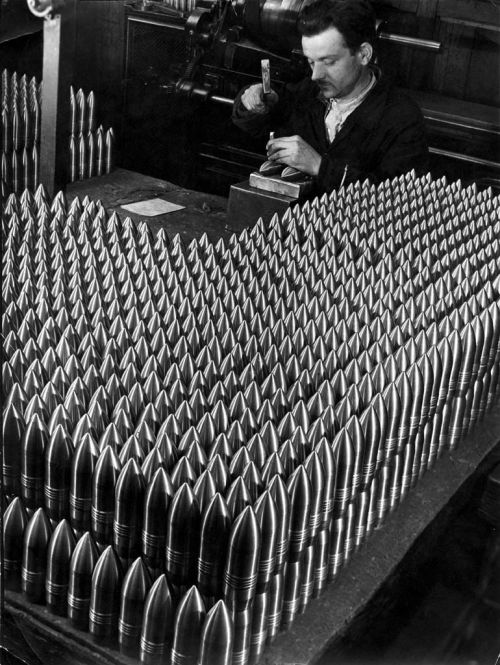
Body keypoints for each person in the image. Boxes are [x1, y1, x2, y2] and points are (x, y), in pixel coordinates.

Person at [232, 0, 429, 195]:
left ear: (363, 54)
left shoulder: (402, 118)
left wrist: (320, 167)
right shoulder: (306, 92)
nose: (315, 75)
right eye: (311, 61)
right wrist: (253, 102)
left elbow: (398, 199)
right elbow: (252, 125)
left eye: (329, 62)